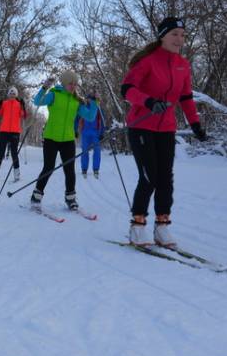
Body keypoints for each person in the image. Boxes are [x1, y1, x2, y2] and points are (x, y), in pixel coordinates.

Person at [120, 16, 207, 248]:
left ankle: (162, 227)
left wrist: (195, 123)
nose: (179, 39)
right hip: (141, 124)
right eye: (174, 34)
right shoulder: (148, 61)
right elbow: (127, 89)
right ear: (163, 36)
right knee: (149, 177)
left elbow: (186, 97)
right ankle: (137, 226)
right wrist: (148, 102)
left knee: (165, 179)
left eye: (182, 35)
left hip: (166, 128)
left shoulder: (183, 65)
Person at [30, 70, 98, 211]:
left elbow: (90, 117)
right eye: (70, 83)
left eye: (75, 84)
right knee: (48, 168)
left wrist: (94, 102)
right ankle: (36, 195)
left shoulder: (77, 100)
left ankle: (70, 199)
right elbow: (37, 101)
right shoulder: (54, 94)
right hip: (51, 137)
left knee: (69, 170)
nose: (73, 86)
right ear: (64, 83)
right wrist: (45, 87)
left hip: (68, 139)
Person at [0, 86, 27, 183]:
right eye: (11, 93)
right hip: (4, 131)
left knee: (14, 153)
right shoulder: (4, 103)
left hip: (15, 132)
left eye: (14, 94)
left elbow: (24, 116)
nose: (12, 95)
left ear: (16, 95)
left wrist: (23, 106)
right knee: (1, 152)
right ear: (8, 94)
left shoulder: (19, 104)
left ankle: (16, 173)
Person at [73, 92, 105, 179]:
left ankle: (96, 169)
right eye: (88, 99)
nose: (89, 100)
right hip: (85, 133)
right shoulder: (83, 108)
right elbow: (76, 119)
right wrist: (75, 130)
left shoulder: (98, 108)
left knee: (97, 152)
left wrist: (102, 132)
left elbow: (102, 121)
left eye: (90, 99)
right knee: (84, 152)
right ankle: (84, 169)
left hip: (96, 133)